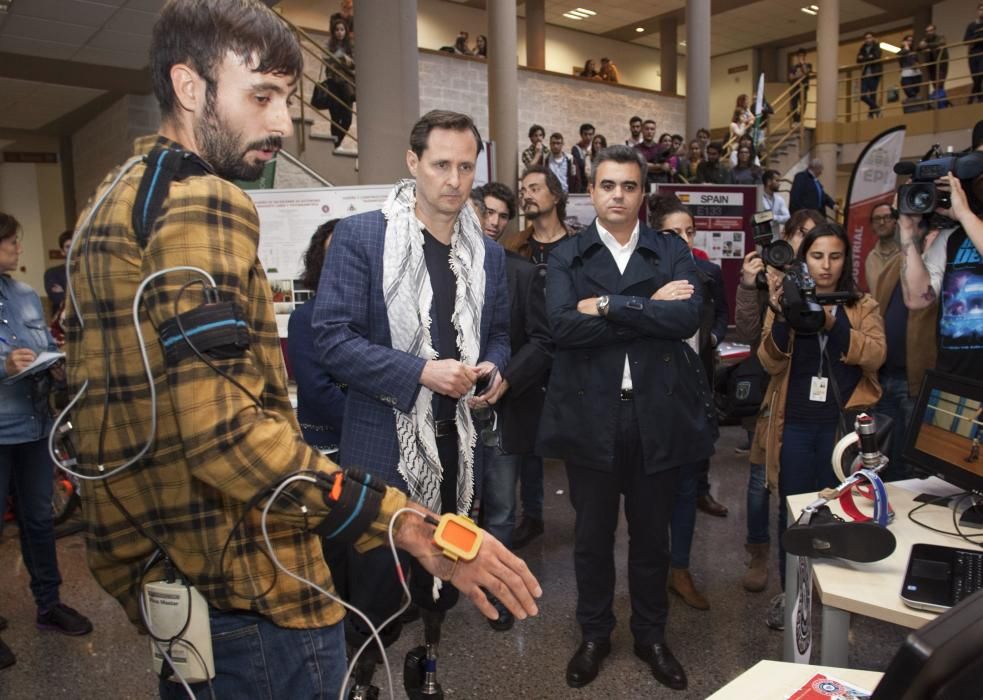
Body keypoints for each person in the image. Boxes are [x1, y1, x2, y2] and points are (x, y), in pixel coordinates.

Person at [66, 5, 540, 696]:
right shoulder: (205, 201)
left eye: (286, 98)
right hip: (252, 585)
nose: (284, 122)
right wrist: (406, 524)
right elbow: (226, 438)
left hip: (166, 573)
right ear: (189, 87)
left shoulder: (113, 199)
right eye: (261, 96)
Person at [313, 111, 534, 690]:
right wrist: (420, 372)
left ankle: (428, 667)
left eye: (466, 167)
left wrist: (493, 367)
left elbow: (502, 334)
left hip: (456, 455)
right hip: (383, 454)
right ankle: (358, 677)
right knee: (374, 598)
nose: (455, 181)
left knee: (440, 587)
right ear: (413, 164)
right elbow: (332, 340)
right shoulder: (363, 237)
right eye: (442, 165)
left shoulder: (486, 254)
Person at [540, 145, 717, 691]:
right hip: (591, 418)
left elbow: (686, 314)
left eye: (629, 186)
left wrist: (609, 305)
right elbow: (562, 328)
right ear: (591, 192)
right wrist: (647, 307)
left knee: (652, 540)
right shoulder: (567, 254)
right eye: (608, 185)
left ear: (643, 194)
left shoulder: (670, 249)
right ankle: (594, 634)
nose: (618, 195)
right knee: (591, 539)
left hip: (656, 418)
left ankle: (651, 636)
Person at [754, 222, 885, 631]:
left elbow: (876, 356)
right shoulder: (786, 299)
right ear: (803, 259)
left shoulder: (862, 304)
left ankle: (836, 600)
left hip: (839, 428)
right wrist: (781, 312)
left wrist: (833, 322)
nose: (826, 266)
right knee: (793, 512)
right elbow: (768, 361)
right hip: (792, 427)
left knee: (839, 513)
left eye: (835, 256)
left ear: (847, 260)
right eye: (817, 256)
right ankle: (791, 593)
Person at [0, 212, 92, 671]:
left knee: (39, 520)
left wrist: (50, 363)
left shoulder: (21, 295)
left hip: (35, 428)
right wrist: (4, 365)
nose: (18, 248)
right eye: (11, 242)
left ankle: (48, 603)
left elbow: (37, 343)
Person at [471, 183, 553, 631]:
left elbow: (543, 341)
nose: (495, 221)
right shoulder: (436, 265)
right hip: (444, 410)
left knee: (501, 508)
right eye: (488, 211)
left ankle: (496, 594)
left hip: (502, 411)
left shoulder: (522, 273)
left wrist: (509, 377)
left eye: (504, 215)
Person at [737, 209, 825, 594]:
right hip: (767, 384)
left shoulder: (818, 277)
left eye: (814, 238)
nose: (805, 244)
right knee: (760, 480)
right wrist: (750, 287)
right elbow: (746, 330)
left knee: (797, 483)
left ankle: (804, 567)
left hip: (805, 390)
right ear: (786, 235)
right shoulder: (767, 270)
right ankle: (758, 553)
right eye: (801, 235)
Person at [648, 193, 728, 612]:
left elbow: (719, 320)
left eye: (688, 232)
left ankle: (680, 569)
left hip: (693, 399)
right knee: (649, 495)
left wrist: (711, 339)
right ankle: (650, 572)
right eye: (671, 232)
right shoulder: (639, 278)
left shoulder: (708, 274)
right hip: (648, 402)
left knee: (684, 492)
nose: (681, 239)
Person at [897, 120, 983, 383]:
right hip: (953, 380)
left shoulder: (966, 222)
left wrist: (964, 213)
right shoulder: (953, 236)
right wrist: (907, 230)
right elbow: (917, 299)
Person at [864, 204, 938, 481]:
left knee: (912, 465)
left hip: (916, 382)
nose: (916, 232)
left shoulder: (938, 273)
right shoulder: (894, 264)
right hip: (885, 376)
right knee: (882, 459)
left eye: (923, 226)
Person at [287, 220, 346, 455]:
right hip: (331, 447)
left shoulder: (376, 313)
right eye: (335, 251)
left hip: (375, 442)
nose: (344, 259)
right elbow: (318, 389)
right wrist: (364, 426)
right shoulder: (305, 318)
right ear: (319, 260)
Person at [325, 15, 355, 147]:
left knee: (347, 119)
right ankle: (336, 145)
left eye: (342, 29)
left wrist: (345, 61)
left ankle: (337, 143)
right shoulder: (329, 45)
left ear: (346, 31)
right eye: (337, 30)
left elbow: (355, 64)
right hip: (334, 84)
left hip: (347, 85)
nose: (339, 32)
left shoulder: (351, 46)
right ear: (333, 31)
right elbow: (326, 60)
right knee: (335, 118)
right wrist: (342, 60)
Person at [43, 230, 72, 317]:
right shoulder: (52, 273)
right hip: (61, 324)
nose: (72, 249)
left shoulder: (86, 273)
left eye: (75, 245)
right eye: (68, 247)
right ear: (62, 251)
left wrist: (64, 293)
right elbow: (56, 298)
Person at [857, 32, 883, 118]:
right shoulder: (863, 48)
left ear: (873, 38)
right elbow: (858, 60)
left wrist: (864, 58)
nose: (868, 39)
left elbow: (876, 56)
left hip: (874, 73)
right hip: (865, 74)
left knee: (873, 95)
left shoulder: (877, 46)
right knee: (862, 95)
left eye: (870, 38)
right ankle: (876, 108)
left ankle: (871, 114)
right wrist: (868, 57)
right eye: (866, 38)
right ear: (864, 40)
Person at [919, 24, 949, 98]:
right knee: (934, 83)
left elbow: (941, 43)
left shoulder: (940, 37)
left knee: (940, 82)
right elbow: (918, 48)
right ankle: (939, 101)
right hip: (931, 64)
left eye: (931, 30)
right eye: (927, 31)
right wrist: (922, 46)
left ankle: (941, 100)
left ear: (934, 31)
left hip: (941, 64)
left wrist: (927, 45)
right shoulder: (925, 40)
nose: (929, 32)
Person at [762, 170, 791, 239]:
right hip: (761, 238)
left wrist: (774, 217)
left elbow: (787, 218)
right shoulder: (758, 198)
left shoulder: (779, 199)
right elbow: (759, 218)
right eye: (777, 180)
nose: (779, 183)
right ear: (769, 182)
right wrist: (777, 218)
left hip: (775, 238)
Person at [898, 34, 923, 107]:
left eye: (911, 41)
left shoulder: (914, 51)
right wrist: (906, 47)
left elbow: (917, 60)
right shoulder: (901, 51)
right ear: (904, 42)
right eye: (908, 40)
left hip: (916, 74)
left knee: (916, 91)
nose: (910, 42)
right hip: (906, 74)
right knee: (908, 89)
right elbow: (900, 55)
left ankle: (915, 104)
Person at [788, 48, 812, 124]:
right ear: (797, 57)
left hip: (803, 87)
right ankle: (795, 120)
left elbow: (806, 72)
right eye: (799, 56)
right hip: (794, 88)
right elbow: (791, 77)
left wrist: (803, 64)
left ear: (805, 56)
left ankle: (800, 119)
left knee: (803, 104)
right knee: (794, 104)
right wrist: (801, 75)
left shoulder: (808, 65)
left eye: (803, 56)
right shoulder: (793, 67)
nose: (801, 57)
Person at [571, 123, 594, 194]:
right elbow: (579, 164)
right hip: (582, 185)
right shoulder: (576, 148)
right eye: (585, 134)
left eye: (590, 134)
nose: (588, 137)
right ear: (581, 135)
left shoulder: (595, 147)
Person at [967, 4, 983, 104]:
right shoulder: (971, 25)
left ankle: (971, 98)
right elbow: (965, 40)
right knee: (975, 77)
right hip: (973, 54)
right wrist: (976, 36)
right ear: (978, 11)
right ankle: (979, 97)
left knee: (980, 74)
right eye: (981, 9)